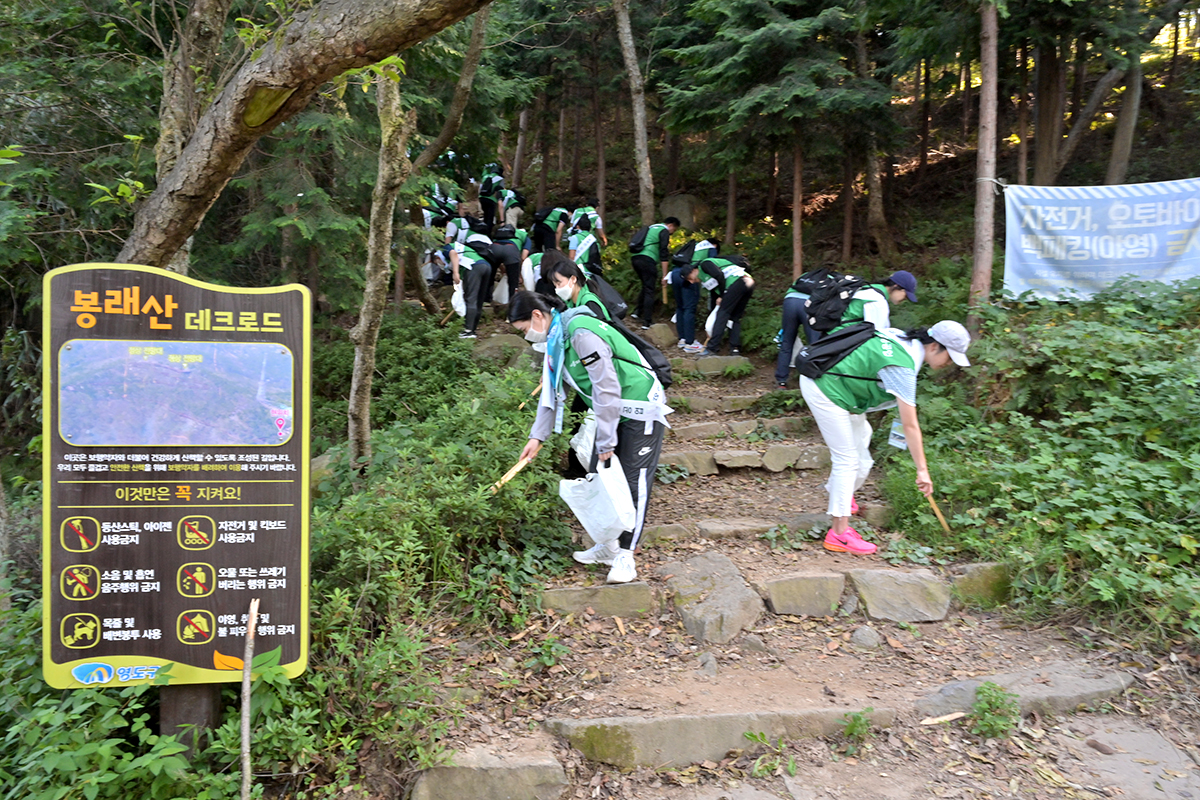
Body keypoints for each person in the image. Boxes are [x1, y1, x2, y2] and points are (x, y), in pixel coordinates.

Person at [510, 291, 671, 583]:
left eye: (523, 330)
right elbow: (552, 394)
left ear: (536, 316)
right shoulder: (556, 342)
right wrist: (537, 437)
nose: (526, 337)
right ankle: (608, 546)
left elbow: (606, 386)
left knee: (633, 480)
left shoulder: (580, 334)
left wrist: (606, 441)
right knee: (601, 475)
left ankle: (625, 555)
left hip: (638, 404)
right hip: (610, 410)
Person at [800, 321, 971, 555]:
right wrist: (922, 470)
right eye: (949, 357)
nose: (949, 364)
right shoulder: (902, 366)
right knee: (847, 460)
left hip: (843, 389)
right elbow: (910, 424)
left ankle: (841, 496)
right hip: (825, 388)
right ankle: (839, 534)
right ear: (934, 346)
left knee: (863, 456)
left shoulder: (902, 339)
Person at [665, 239, 719, 352]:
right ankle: (690, 343)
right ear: (715, 245)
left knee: (680, 307)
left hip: (675, 274)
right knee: (689, 309)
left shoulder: (695, 245)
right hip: (689, 275)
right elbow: (712, 264)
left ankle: (682, 339)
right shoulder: (711, 247)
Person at [698, 255, 755, 356]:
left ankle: (712, 348)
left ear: (692, 270)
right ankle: (735, 349)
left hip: (737, 283)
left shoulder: (705, 264)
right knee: (734, 318)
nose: (691, 281)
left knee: (723, 314)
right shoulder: (717, 268)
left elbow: (719, 276)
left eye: (689, 278)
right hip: (749, 281)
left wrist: (722, 295)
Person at [629, 217, 680, 328]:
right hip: (647, 259)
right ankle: (647, 321)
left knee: (646, 286)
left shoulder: (652, 227)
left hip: (635, 258)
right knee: (650, 290)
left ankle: (637, 312)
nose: (672, 233)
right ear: (671, 225)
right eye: (674, 230)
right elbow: (663, 253)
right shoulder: (664, 231)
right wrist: (665, 275)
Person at [449, 223, 494, 339]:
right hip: (486, 266)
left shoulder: (446, 247)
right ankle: (472, 329)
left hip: (473, 267)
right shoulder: (464, 248)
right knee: (479, 300)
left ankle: (468, 331)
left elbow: (453, 253)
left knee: (471, 298)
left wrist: (456, 272)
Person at [490, 224, 523, 303]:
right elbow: (523, 257)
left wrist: (503, 270)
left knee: (489, 277)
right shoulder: (523, 236)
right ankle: (513, 302)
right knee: (513, 282)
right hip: (511, 250)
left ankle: (487, 299)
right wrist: (519, 275)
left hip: (494, 248)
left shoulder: (495, 239)